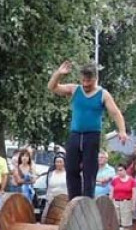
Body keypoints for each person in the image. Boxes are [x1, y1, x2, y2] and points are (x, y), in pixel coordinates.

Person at [47, 61, 128, 199]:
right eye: (83, 80)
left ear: (95, 79)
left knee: (89, 171)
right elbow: (52, 87)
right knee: (71, 168)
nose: (85, 84)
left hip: (92, 136)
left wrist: (122, 131)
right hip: (75, 134)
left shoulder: (103, 94)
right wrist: (58, 74)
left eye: (88, 81)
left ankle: (87, 199)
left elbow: (115, 112)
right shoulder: (75, 89)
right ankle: (74, 199)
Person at [111, 165, 136, 230]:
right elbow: (111, 192)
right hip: (116, 201)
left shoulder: (132, 181)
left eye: (121, 170)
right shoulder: (115, 180)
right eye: (118, 170)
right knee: (116, 222)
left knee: (126, 223)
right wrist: (110, 202)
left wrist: (133, 204)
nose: (119, 172)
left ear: (125, 170)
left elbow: (134, 193)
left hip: (126, 202)